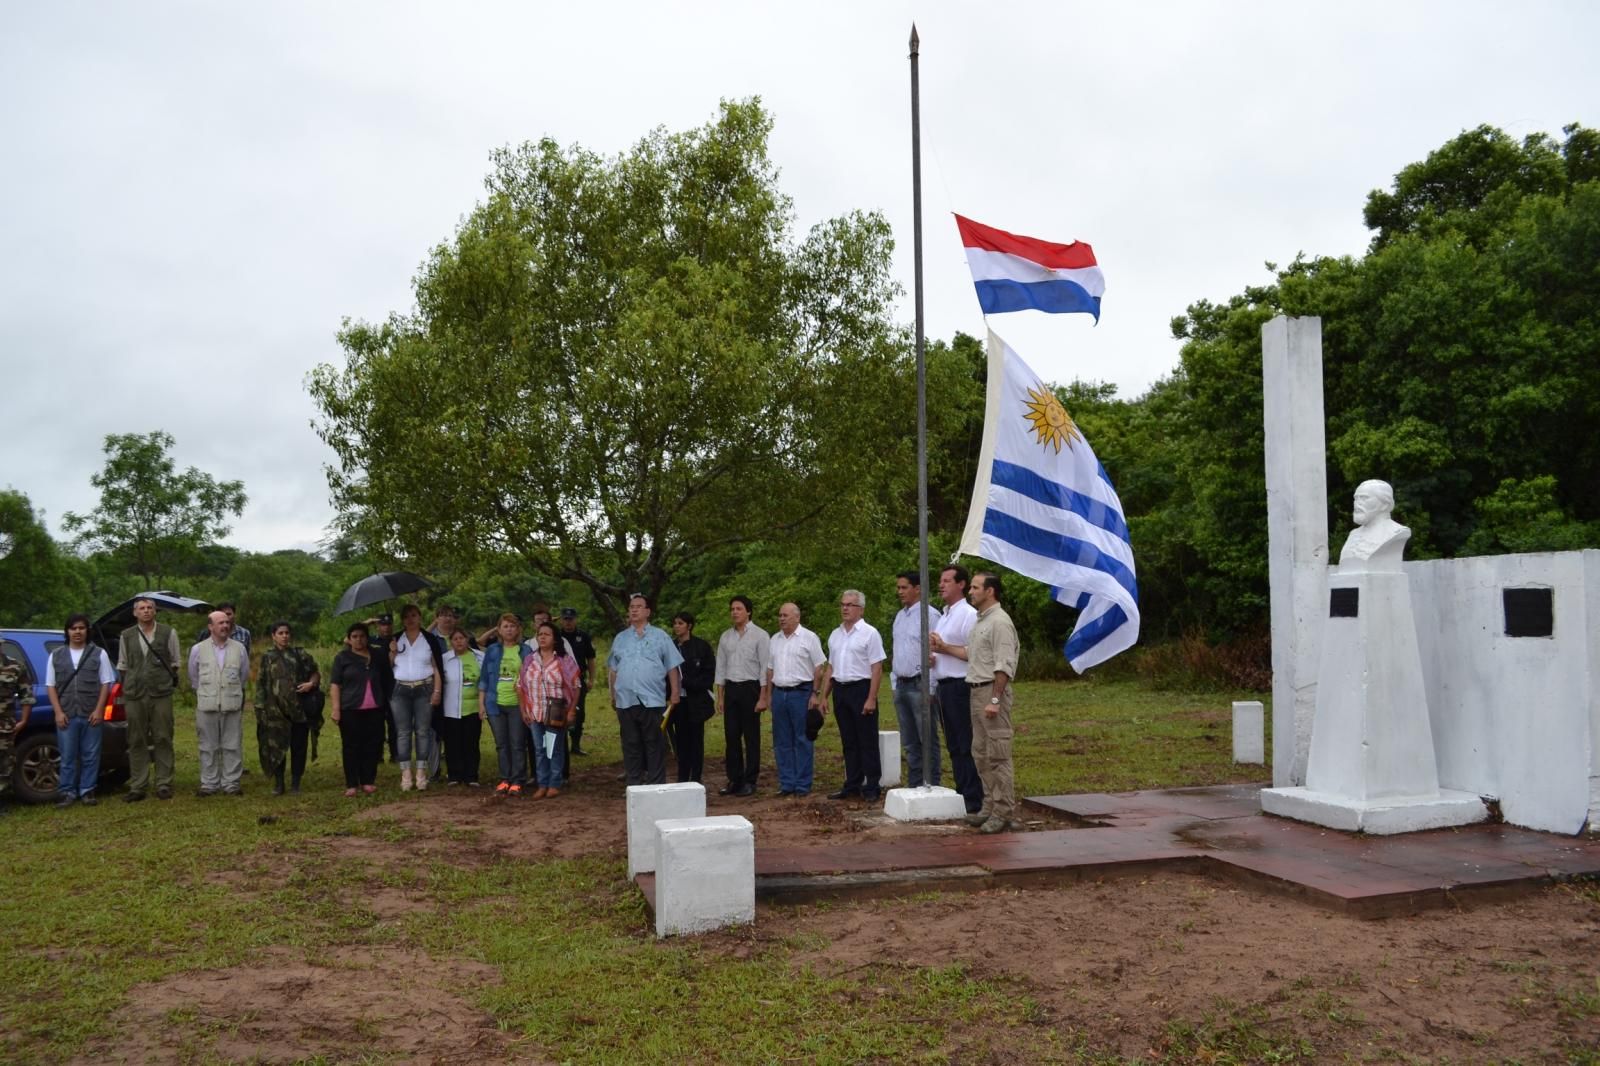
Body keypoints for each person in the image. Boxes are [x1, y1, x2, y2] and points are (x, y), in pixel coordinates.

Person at [950, 571, 1020, 835]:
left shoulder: (1000, 622)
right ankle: (989, 806)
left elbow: (1004, 665)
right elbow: (973, 656)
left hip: (991, 692)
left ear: (990, 591)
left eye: (976, 588)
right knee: (981, 753)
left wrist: (994, 699)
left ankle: (1003, 811)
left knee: (998, 754)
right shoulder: (981, 621)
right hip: (976, 691)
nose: (971, 592)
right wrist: (944, 647)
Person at [606, 593, 682, 786]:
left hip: (652, 699)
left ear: (648, 611)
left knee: (654, 744)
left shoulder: (660, 636)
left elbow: (672, 666)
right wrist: (612, 694)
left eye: (638, 606)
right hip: (626, 699)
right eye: (631, 606)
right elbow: (613, 668)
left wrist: (675, 693)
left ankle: (655, 785)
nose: (634, 610)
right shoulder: (621, 638)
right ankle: (634, 785)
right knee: (630, 744)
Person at [819, 589, 886, 802]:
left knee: (866, 739)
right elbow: (831, 667)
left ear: (861, 609)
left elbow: (877, 668)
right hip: (841, 688)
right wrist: (823, 696)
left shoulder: (869, 633)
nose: (845, 608)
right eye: (843, 604)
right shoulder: (835, 634)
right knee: (848, 739)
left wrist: (871, 698)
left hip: (861, 688)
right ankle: (852, 783)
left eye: (850, 605)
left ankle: (873, 784)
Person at [928, 564, 984, 816]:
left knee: (965, 743)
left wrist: (944, 649)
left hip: (961, 686)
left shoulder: (967, 615)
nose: (941, 585)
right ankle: (962, 791)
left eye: (947, 580)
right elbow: (945, 650)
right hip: (944, 686)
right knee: (952, 743)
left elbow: (974, 654)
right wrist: (935, 658)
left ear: (961, 584)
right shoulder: (945, 615)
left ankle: (973, 797)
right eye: (940, 580)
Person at [116, 595, 180, 802]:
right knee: (136, 739)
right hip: (135, 694)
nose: (146, 611)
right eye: (141, 608)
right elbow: (123, 665)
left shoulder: (168, 632)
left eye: (149, 607)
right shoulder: (125, 635)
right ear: (135, 612)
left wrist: (160, 678)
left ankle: (163, 783)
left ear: (155, 611)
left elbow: (175, 662)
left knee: (163, 736)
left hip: (161, 692)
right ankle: (138, 785)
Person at [47, 613, 115, 807]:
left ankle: (87, 790)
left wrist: (99, 710)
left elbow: (106, 683)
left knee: (90, 754)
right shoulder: (56, 655)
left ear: (87, 631)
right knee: (67, 755)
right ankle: (67, 791)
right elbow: (50, 685)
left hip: (90, 713)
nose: (77, 632)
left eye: (81, 628)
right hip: (66, 713)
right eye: (73, 628)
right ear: (67, 631)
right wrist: (58, 712)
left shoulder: (98, 653)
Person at [765, 602, 827, 798]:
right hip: (779, 692)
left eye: (785, 615)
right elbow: (769, 669)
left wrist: (815, 693)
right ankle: (786, 783)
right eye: (780, 615)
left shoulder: (809, 638)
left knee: (802, 738)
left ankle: (802, 784)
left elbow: (819, 667)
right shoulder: (774, 639)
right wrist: (768, 695)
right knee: (781, 740)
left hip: (801, 693)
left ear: (797, 617)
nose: (781, 619)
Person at [187, 609, 250, 797]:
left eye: (226, 622)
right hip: (207, 704)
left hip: (231, 703)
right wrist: (208, 692)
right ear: (210, 626)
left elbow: (243, 676)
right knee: (208, 745)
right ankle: (209, 783)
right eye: (220, 623)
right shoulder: (198, 649)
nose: (225, 625)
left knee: (232, 744)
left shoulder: (239, 648)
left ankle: (231, 783)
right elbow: (193, 676)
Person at [890, 571, 942, 788]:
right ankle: (914, 784)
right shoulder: (900, 616)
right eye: (899, 588)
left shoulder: (930, 615)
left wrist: (930, 687)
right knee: (910, 740)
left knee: (926, 738)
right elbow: (897, 650)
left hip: (920, 683)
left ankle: (932, 782)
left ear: (918, 588)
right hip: (901, 684)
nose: (900, 592)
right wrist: (894, 682)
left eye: (904, 587)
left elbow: (937, 652)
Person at [255, 621, 320, 795]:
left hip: (299, 710)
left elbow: (315, 672)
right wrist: (260, 707)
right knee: (277, 748)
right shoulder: (267, 657)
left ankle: (296, 783)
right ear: (273, 636)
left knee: (299, 747)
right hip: (275, 712)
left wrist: (311, 684)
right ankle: (279, 783)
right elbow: (261, 683)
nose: (285, 636)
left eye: (287, 633)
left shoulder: (300, 654)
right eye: (281, 633)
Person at [714, 595, 770, 797]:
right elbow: (720, 668)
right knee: (731, 735)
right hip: (732, 688)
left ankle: (750, 779)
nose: (735, 612)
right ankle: (734, 779)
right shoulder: (725, 637)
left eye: (739, 608)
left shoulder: (760, 636)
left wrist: (763, 696)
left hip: (751, 688)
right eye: (732, 609)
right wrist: (720, 697)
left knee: (751, 735)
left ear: (748, 611)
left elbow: (765, 667)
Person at [519, 620, 580, 799]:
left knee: (553, 748)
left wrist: (571, 710)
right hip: (535, 711)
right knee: (539, 749)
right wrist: (524, 709)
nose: (542, 637)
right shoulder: (530, 659)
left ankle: (554, 783)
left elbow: (576, 686)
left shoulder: (563, 660)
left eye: (547, 634)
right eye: (540, 634)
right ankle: (542, 783)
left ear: (554, 638)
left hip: (555, 712)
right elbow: (520, 685)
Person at [388, 604, 443, 792]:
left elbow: (437, 667)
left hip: (424, 688)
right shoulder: (395, 638)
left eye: (413, 615)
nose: (410, 619)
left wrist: (437, 691)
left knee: (422, 731)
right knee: (403, 732)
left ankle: (421, 772)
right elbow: (386, 666)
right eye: (406, 616)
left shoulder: (429, 639)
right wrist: (393, 651)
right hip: (400, 690)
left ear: (420, 617)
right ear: (402, 620)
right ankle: (406, 774)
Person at [479, 613, 533, 796]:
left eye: (512, 626)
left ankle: (518, 779)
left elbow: (532, 678)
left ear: (518, 629)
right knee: (501, 744)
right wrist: (481, 704)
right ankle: (504, 778)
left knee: (517, 743)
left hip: (517, 704)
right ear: (499, 630)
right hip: (495, 704)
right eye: (505, 626)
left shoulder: (525, 651)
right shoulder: (493, 650)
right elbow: (484, 679)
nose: (509, 630)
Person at [329, 622, 385, 796]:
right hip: (350, 708)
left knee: (372, 745)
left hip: (375, 707)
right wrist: (336, 708)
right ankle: (352, 783)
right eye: (355, 636)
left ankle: (368, 780)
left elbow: (388, 675)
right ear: (349, 639)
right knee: (351, 746)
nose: (359, 640)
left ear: (367, 638)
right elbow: (335, 684)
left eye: (362, 636)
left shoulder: (377, 655)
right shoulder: (342, 658)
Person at [669, 611, 714, 784]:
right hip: (678, 701)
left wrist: (689, 683)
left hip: (696, 701)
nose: (677, 626)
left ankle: (696, 777)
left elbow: (708, 674)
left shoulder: (701, 647)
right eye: (675, 623)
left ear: (689, 626)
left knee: (696, 740)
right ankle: (682, 777)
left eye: (680, 623)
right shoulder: (670, 646)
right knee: (681, 740)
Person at [440, 628, 484, 786]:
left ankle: (471, 775)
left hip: (473, 707)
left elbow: (484, 682)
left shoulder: (479, 657)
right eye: (455, 639)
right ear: (450, 642)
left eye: (462, 638)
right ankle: (454, 775)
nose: (459, 641)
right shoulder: (444, 659)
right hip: (451, 708)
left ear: (467, 639)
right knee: (453, 743)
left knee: (471, 743)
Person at [1340, 479, 1410, 570]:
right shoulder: (1353, 534)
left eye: (1364, 498)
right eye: (1356, 498)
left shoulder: (1397, 532)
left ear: (1384, 504)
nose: (1357, 503)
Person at [0, 649, 34, 816]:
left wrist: (24, 720)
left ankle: (1, 801)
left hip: (5, 725)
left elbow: (26, 695)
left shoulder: (15, 666)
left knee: (5, 763)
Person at [559, 608, 597, 756]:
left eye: (571, 619)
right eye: (566, 619)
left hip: (578, 680)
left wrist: (591, 679)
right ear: (562, 620)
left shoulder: (583, 636)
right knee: (559, 711)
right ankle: (561, 746)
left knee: (578, 712)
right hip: (560, 681)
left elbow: (591, 659)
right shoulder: (557, 636)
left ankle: (575, 745)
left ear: (576, 619)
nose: (568, 622)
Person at [366, 613, 399, 762]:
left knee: (394, 722)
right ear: (378, 626)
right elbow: (348, 638)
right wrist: (369, 621)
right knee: (376, 723)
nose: (386, 627)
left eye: (388, 624)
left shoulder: (397, 639)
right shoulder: (371, 640)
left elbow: (391, 665)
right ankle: (377, 755)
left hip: (392, 686)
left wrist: (393, 652)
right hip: (375, 687)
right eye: (382, 624)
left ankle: (395, 754)